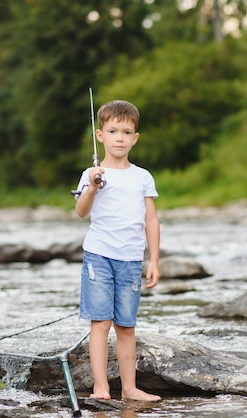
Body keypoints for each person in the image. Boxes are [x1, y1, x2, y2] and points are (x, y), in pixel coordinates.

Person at [74, 99, 161, 402]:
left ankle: (130, 388)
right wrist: (94, 185)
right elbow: (81, 211)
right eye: (113, 131)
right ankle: (101, 387)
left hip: (131, 259)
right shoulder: (92, 173)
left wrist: (154, 260)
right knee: (101, 322)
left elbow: (151, 219)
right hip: (99, 256)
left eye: (126, 132)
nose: (119, 138)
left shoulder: (142, 177)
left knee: (126, 325)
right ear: (100, 135)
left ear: (135, 138)